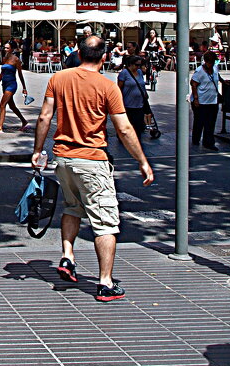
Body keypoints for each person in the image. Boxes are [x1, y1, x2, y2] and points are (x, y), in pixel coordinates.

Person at [32, 36, 155, 302]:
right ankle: (105, 282)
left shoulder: (58, 78)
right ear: (105, 57)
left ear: (78, 53)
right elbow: (124, 129)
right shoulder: (107, 86)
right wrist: (142, 161)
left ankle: (67, 255)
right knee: (106, 222)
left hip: (63, 158)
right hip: (92, 159)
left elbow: (44, 116)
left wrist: (37, 150)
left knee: (72, 207)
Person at [0, 41, 30, 135]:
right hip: (4, 84)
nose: (5, 49)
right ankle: (24, 121)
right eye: (4, 47)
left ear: (12, 49)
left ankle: (0, 127)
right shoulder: (4, 58)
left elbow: (20, 74)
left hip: (11, 85)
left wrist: (24, 88)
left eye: (7, 48)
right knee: (12, 106)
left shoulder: (16, 60)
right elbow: (2, 73)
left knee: (2, 104)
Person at [190, 51, 221, 151]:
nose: (211, 64)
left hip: (213, 101)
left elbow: (217, 76)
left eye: (213, 62)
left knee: (210, 123)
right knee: (199, 122)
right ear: (206, 61)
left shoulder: (215, 68)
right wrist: (196, 99)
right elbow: (193, 84)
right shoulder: (199, 71)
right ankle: (196, 139)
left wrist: (223, 81)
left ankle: (208, 142)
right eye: (210, 62)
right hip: (201, 101)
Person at [118, 55, 154, 142]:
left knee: (138, 125)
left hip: (139, 103)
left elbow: (141, 84)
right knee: (128, 124)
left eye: (140, 65)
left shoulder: (139, 72)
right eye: (137, 65)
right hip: (127, 103)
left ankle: (136, 140)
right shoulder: (124, 73)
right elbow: (119, 88)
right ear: (130, 64)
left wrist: (145, 94)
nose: (138, 67)